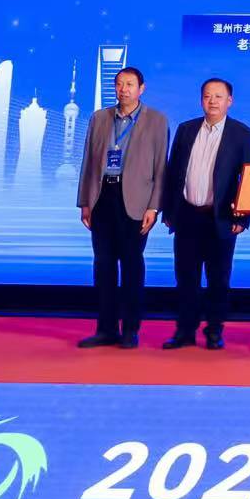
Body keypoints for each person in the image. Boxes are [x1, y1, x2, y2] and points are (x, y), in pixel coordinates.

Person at [74, 65, 169, 349]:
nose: (123, 89)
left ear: (141, 89)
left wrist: (154, 207)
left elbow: (161, 168)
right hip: (103, 196)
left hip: (136, 202)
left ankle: (130, 329)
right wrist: (85, 201)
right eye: (119, 84)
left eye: (129, 84)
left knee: (131, 265)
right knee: (103, 265)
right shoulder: (100, 118)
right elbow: (88, 161)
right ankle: (105, 329)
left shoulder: (156, 120)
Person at [160, 77, 250, 350]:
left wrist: (242, 217)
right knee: (185, 277)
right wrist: (169, 210)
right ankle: (185, 330)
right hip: (187, 215)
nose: (212, 101)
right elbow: (173, 172)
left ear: (229, 101)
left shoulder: (241, 133)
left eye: (218, 96)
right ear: (201, 100)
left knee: (218, 278)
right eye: (207, 96)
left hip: (220, 217)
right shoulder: (186, 129)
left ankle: (214, 331)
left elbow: (249, 177)